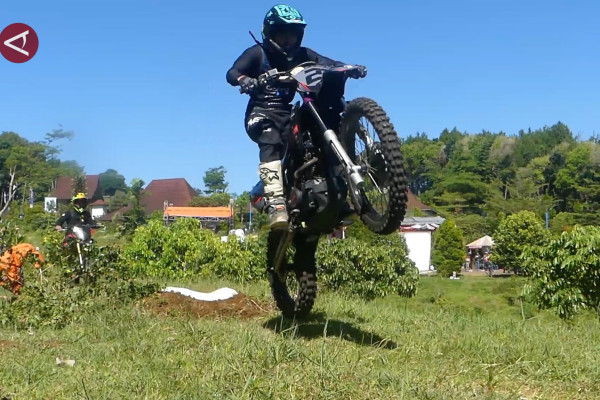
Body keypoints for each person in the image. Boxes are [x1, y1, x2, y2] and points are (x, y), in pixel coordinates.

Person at [226, 4, 366, 229]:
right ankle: (275, 203)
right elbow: (232, 72)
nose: (288, 40)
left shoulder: (303, 54)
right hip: (261, 112)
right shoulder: (257, 53)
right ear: (270, 34)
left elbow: (328, 63)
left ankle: (336, 195)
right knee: (270, 138)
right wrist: (245, 80)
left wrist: (348, 68)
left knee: (316, 137)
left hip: (288, 113)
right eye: (283, 35)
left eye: (293, 35)